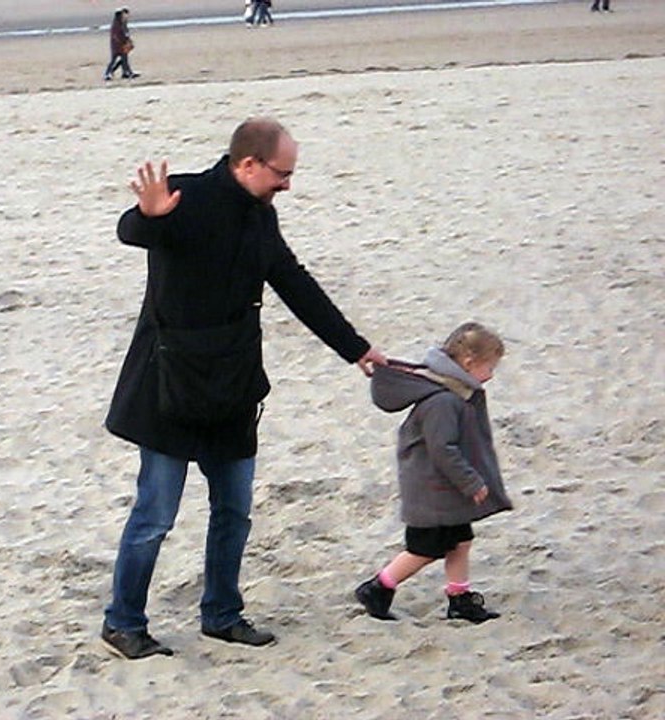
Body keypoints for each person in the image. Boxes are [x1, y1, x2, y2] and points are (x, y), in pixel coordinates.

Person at [101, 117, 387, 659]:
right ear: (248, 164)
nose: (287, 185)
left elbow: (294, 283)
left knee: (234, 510)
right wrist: (148, 214)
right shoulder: (188, 196)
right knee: (155, 515)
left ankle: (222, 614)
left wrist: (355, 348)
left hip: (232, 383)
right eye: (282, 173)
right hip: (171, 383)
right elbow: (134, 230)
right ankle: (123, 622)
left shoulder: (259, 216)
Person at [355, 322, 512, 624]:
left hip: (444, 490)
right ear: (468, 363)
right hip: (433, 491)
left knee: (460, 540)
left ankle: (459, 598)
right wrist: (471, 482)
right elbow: (443, 449)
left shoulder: (455, 392)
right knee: (424, 548)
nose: (491, 375)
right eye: (489, 367)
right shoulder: (442, 400)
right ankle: (379, 587)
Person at [103, 7, 139, 81]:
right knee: (114, 59)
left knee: (124, 59)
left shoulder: (122, 22)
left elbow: (125, 33)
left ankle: (126, 72)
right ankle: (108, 73)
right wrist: (123, 41)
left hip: (122, 44)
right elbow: (116, 35)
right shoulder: (116, 24)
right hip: (117, 45)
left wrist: (128, 41)